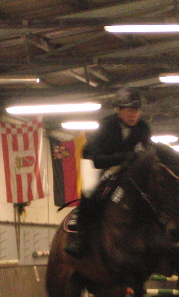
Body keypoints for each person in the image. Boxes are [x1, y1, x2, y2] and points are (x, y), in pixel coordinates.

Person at [64, 86, 153, 258]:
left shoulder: (143, 128)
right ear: (118, 110)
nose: (134, 115)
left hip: (125, 165)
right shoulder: (105, 126)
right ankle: (80, 237)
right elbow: (96, 159)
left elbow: (146, 152)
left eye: (137, 110)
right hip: (96, 163)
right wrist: (125, 157)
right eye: (130, 110)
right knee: (91, 191)